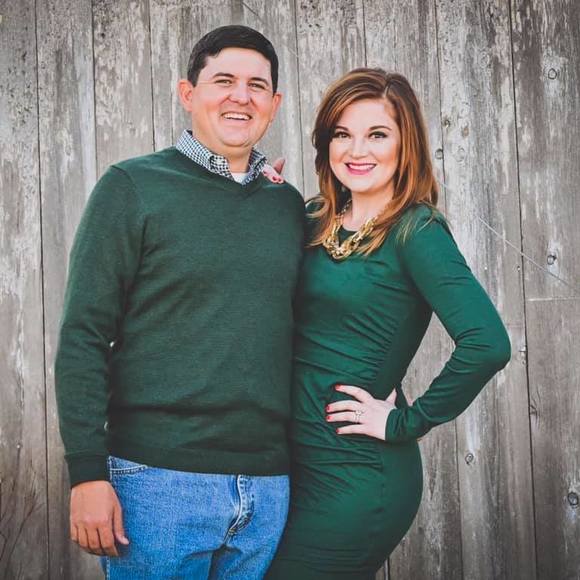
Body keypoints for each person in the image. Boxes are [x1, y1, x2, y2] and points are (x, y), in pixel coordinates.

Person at [55, 25, 304, 579]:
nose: (241, 96)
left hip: (269, 487)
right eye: (223, 80)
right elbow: (83, 335)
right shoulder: (132, 187)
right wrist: (87, 473)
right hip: (157, 482)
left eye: (257, 86)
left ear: (275, 103)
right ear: (188, 94)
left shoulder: (287, 207)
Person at [265, 69, 511, 580]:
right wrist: (256, 198)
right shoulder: (314, 217)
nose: (357, 150)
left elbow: (487, 343)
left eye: (377, 134)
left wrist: (405, 422)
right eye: (342, 134)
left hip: (357, 476)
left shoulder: (417, 231)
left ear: (406, 144)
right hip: (289, 468)